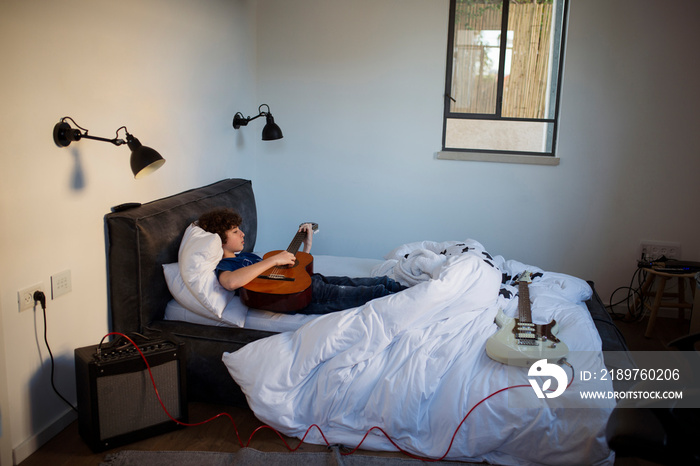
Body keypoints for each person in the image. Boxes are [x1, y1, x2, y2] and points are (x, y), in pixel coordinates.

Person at [197, 208, 406, 314]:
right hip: (300, 297)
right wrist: (274, 259)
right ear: (219, 239)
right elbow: (231, 282)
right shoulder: (227, 265)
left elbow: (286, 270)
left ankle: (403, 286)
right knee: (371, 293)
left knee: (367, 281)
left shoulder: (248, 257)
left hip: (309, 282)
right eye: (235, 231)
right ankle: (412, 300)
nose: (242, 234)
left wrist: (305, 247)